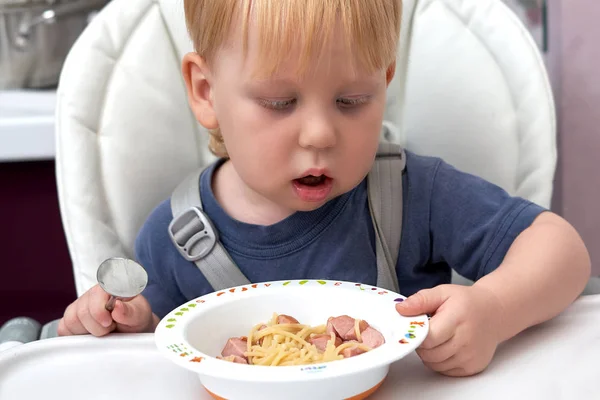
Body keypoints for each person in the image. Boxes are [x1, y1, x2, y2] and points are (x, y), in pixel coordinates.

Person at [57, 0, 591, 377]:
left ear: (384, 84)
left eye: (352, 100)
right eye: (280, 103)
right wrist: (117, 323)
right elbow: (149, 358)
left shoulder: (410, 194)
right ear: (205, 91)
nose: (320, 134)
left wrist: (495, 310)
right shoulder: (176, 237)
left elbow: (561, 250)